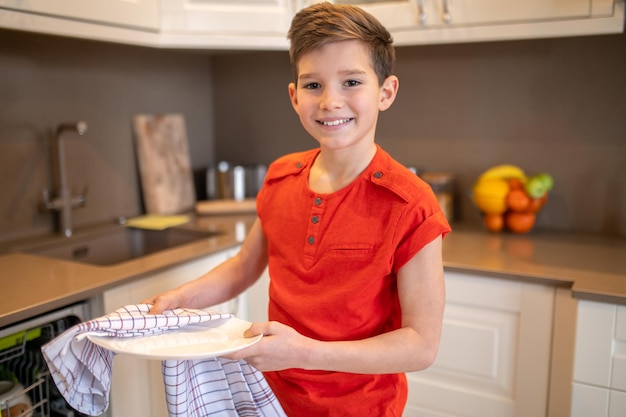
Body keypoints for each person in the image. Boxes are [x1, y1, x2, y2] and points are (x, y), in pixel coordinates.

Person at [146, 2, 451, 416]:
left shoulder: (411, 203)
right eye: (313, 86)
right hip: (270, 399)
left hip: (361, 408)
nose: (330, 101)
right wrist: (180, 298)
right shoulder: (280, 177)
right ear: (294, 96)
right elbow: (242, 267)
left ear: (386, 92)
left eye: (351, 82)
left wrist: (304, 353)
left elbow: (420, 345)